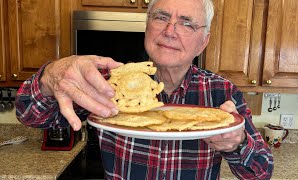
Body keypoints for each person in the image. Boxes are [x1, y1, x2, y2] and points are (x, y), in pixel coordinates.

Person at [15, 0, 274, 179]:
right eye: (161, 17)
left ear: (203, 42)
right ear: (147, 27)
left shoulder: (222, 92)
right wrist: (50, 78)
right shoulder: (106, 83)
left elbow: (261, 172)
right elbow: (29, 115)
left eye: (186, 23)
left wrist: (236, 145)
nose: (170, 30)